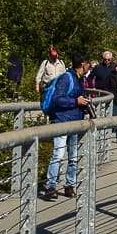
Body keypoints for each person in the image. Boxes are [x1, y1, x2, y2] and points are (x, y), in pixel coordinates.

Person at [43, 52, 91, 200]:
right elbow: (58, 99)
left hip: (75, 121)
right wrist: (76, 102)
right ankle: (51, 186)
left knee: (73, 157)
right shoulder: (67, 78)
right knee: (58, 154)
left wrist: (82, 105)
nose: (89, 66)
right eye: (88, 63)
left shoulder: (79, 79)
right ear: (83, 64)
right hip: (62, 121)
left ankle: (69, 185)